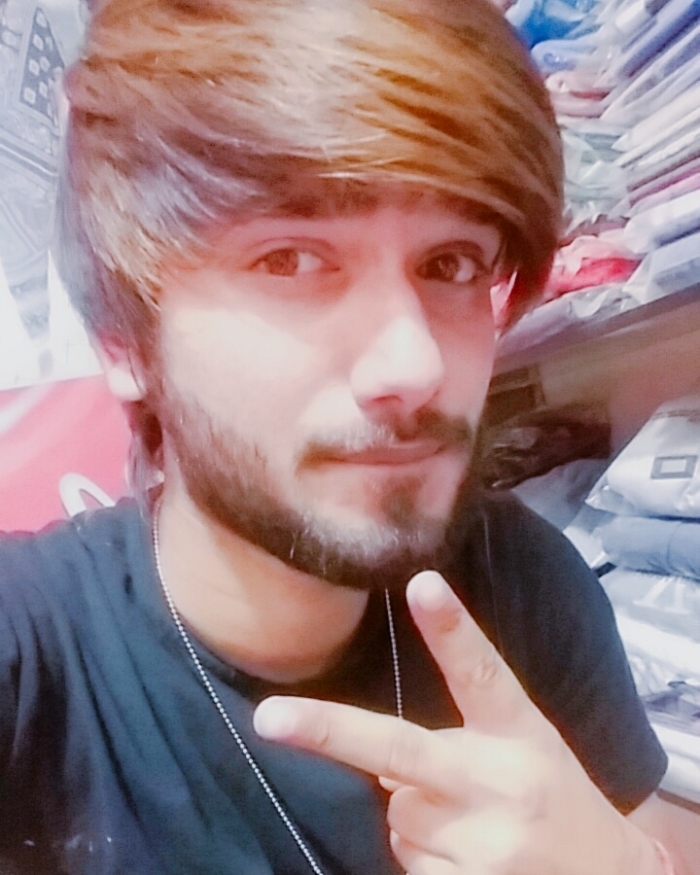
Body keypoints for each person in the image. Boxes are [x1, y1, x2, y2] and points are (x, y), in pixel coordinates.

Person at [0, 0, 698, 873]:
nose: (413, 362)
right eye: (290, 259)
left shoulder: (522, 582)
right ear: (124, 343)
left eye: (452, 263)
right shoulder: (30, 650)